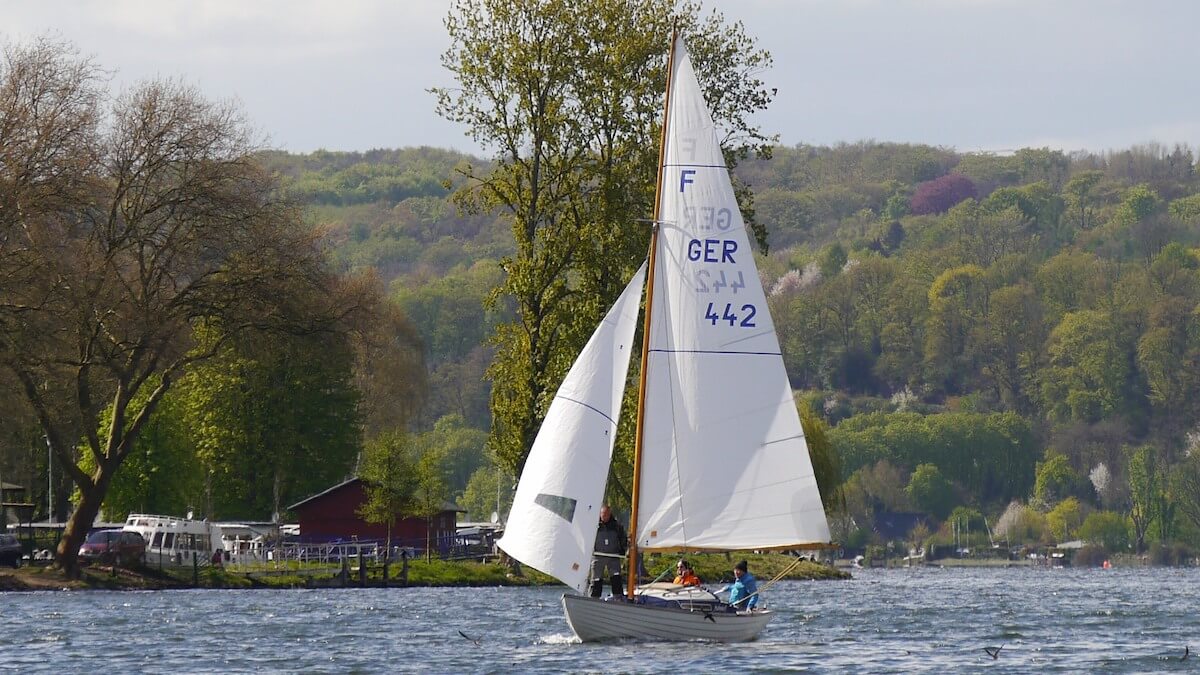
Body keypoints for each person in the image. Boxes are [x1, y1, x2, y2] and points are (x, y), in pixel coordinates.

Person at [590, 504, 627, 598]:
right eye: (603, 514)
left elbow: (623, 539)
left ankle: (618, 597)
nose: (605, 517)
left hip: (613, 556)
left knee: (616, 577)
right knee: (596, 579)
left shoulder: (616, 526)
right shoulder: (594, 525)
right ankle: (594, 598)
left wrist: (623, 550)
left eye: (606, 515)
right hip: (598, 556)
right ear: (600, 514)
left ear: (610, 514)